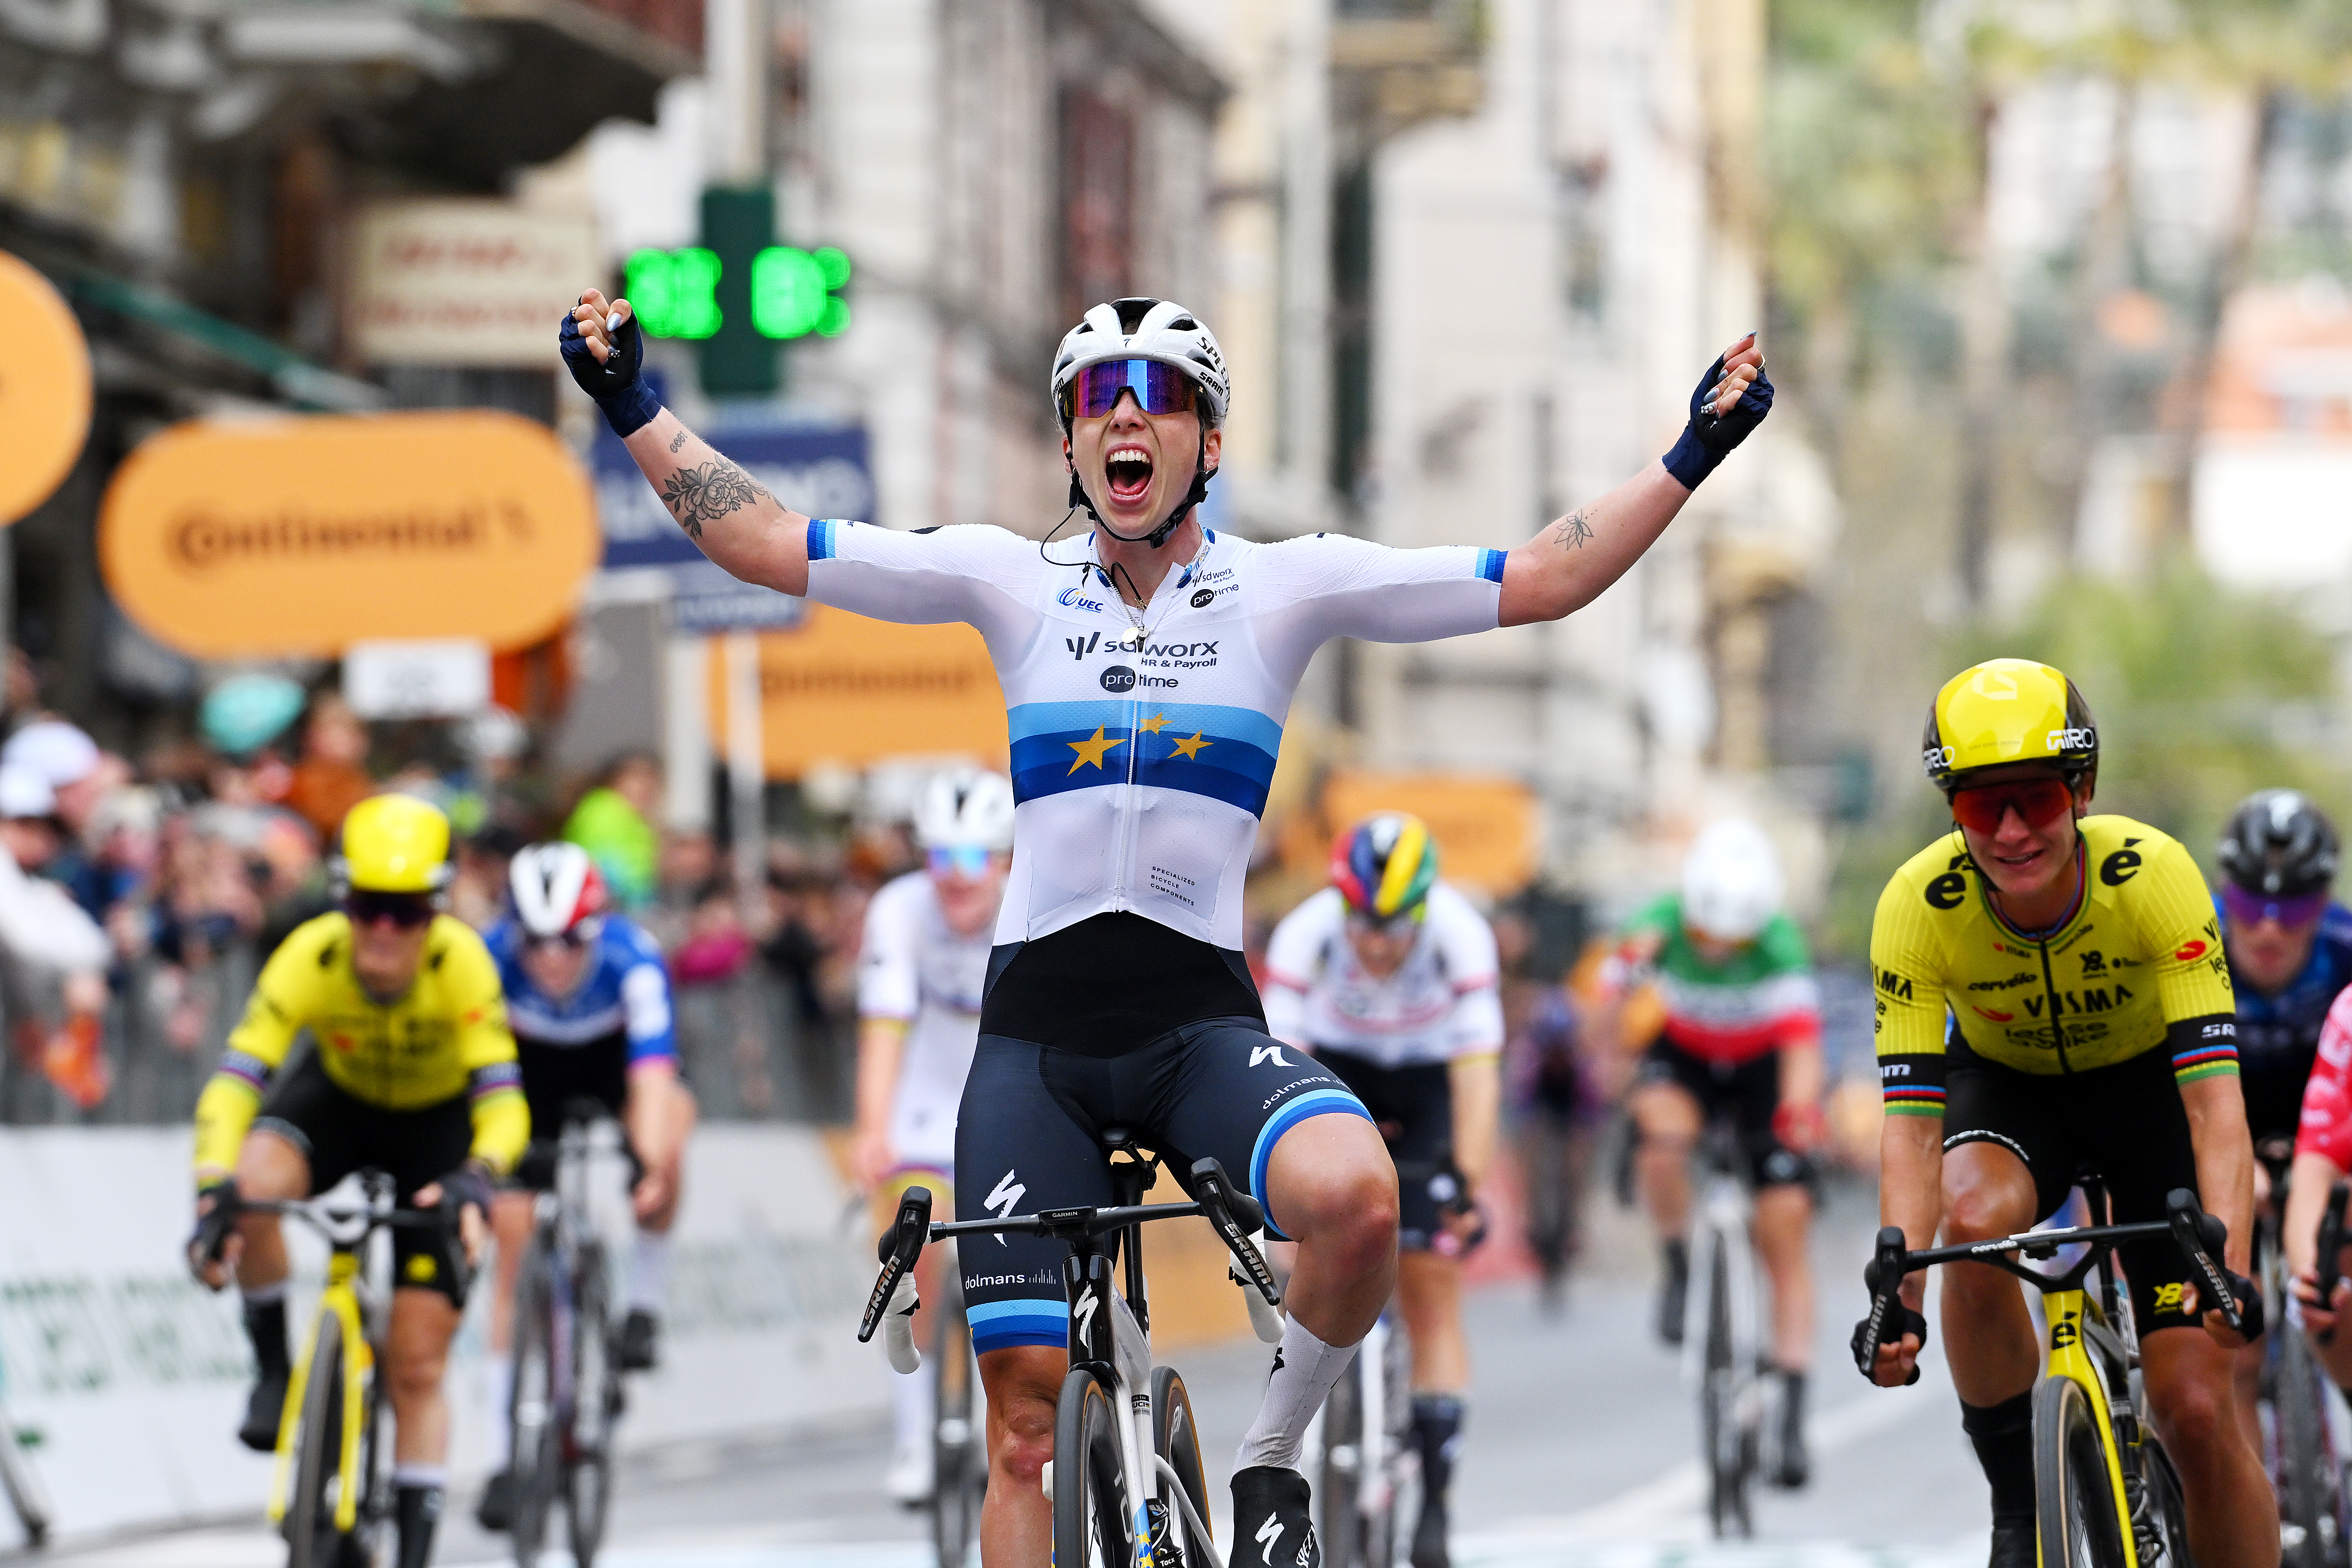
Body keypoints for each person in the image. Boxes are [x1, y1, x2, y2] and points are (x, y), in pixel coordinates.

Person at [563, 276, 1770, 1567]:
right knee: (1023, 1424)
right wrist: (635, 401)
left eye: (1160, 399)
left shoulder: (1284, 589)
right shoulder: (1006, 580)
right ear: (1072, 439)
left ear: (1206, 439)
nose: (1124, 418)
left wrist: (1691, 451)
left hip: (1198, 1029)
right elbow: (769, 542)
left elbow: (1539, 579)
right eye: (1095, 398)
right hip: (1034, 1051)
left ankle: (1268, 1466)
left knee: (1358, 1199)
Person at [1860, 658, 2272, 1568]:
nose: (2011, 831)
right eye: (1980, 807)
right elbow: (1912, 1129)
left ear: (2082, 789)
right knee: (1969, 1224)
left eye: (2036, 799)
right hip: (2012, 1094)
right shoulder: (1915, 908)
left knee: (2198, 1410)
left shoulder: (2153, 876)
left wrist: (2229, 1270)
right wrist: (1903, 1301)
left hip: (2149, 1098)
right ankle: (2020, 1509)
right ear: (1951, 811)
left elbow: (2214, 1109)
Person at [186, 793, 526, 1568]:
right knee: (255, 1179)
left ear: (434, 911)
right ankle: (273, 1367)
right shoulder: (312, 955)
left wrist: (481, 1176)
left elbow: (504, 1104)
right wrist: (211, 1188)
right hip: (338, 1101)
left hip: (436, 1134)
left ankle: (411, 1551)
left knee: (415, 1358)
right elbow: (237, 1079)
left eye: (405, 913)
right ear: (345, 901)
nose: (383, 930)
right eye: (368, 907)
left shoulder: (463, 964)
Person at [1261, 813, 1501, 1568]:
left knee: (1431, 1282)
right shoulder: (1308, 936)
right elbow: (1277, 1073)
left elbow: (1476, 1075)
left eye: (1394, 924)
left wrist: (1463, 1182)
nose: (1375, 940)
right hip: (1337, 1075)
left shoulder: (1462, 936)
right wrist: (1276, 1202)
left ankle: (1434, 1499)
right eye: (1362, 920)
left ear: (1424, 908)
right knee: (1292, 1257)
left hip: (1430, 1086)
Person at [472, 841, 694, 1530]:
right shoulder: (488, 959)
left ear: (594, 927)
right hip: (526, 1075)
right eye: (535, 941)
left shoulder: (633, 957)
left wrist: (649, 1163)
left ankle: (642, 1304)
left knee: (673, 1133)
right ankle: (505, 1453)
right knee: (513, 1243)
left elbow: (653, 1076)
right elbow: (470, 1078)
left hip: (611, 1067)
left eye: (570, 939)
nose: (553, 958)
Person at [1604, 818, 1820, 1485]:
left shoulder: (1783, 947)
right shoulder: (1657, 924)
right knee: (1663, 1141)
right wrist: (1627, 980)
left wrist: (1795, 1123)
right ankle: (1675, 1264)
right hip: (1686, 1061)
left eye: (1737, 941)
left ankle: (1790, 1406)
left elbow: (1802, 1055)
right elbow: (1607, 1025)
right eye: (1706, 937)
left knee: (1784, 1224)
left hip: (1759, 1071)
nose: (1721, 950)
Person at [851, 767, 1014, 1506]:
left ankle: (990, 1419)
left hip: (1006, 1086)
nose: (956, 878)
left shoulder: (1033, 908)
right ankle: (915, 1440)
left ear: (1008, 860)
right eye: (939, 857)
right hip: (925, 1091)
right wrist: (870, 1130)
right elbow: (884, 1026)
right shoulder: (900, 909)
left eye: (975, 858)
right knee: (908, 1253)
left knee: (1004, 1264)